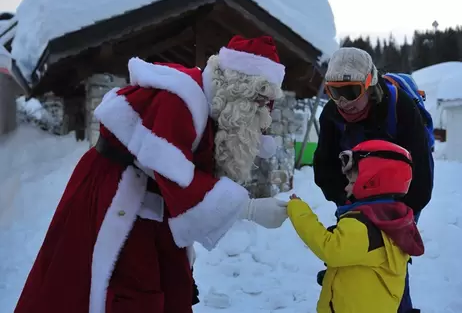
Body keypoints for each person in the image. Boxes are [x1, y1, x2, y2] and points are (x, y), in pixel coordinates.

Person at [14, 35, 289, 313]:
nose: (264, 114)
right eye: (260, 103)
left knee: (168, 288)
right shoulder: (180, 100)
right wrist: (250, 209)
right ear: (240, 90)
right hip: (116, 197)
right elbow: (176, 177)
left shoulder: (212, 108)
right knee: (123, 291)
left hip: (148, 203)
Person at [313, 47, 433, 313]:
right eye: (335, 92)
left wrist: (398, 220)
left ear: (370, 84)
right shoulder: (331, 115)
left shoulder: (401, 109)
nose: (344, 102)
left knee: (388, 267)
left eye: (352, 91)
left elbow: (422, 178)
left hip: (399, 202)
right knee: (352, 261)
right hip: (353, 197)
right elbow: (324, 170)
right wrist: (349, 202)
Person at [288, 139, 424, 313]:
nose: (346, 188)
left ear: (373, 181)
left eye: (351, 182)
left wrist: (298, 210)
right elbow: (365, 263)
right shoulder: (393, 219)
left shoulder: (362, 224)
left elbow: (330, 249)